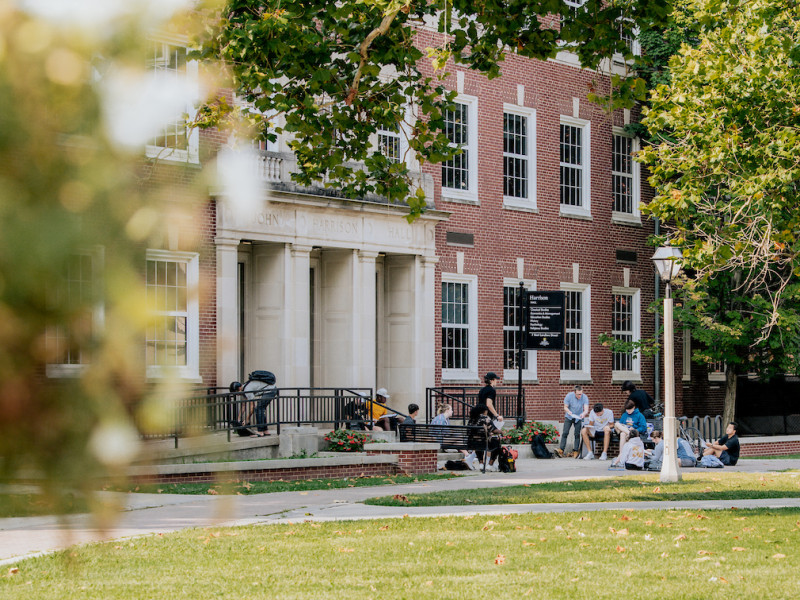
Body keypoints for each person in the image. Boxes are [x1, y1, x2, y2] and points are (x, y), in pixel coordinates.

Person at [467, 402, 503, 471]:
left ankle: (481, 464)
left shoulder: (471, 419)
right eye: (486, 411)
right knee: (497, 444)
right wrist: (501, 432)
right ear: (483, 411)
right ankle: (490, 464)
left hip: (472, 443)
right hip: (484, 443)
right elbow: (494, 430)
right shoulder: (485, 418)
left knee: (478, 442)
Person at [556, 385, 589, 458]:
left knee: (577, 434)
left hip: (578, 417)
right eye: (578, 394)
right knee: (565, 433)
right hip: (569, 416)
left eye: (581, 394)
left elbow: (586, 409)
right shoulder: (569, 396)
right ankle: (561, 450)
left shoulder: (584, 397)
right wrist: (569, 411)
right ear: (574, 393)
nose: (580, 396)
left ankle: (575, 450)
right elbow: (565, 407)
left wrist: (583, 414)